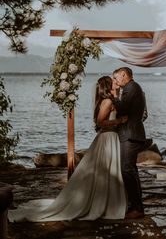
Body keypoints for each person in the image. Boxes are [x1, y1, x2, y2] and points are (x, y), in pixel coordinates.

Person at [8, 76, 127, 222]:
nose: (116, 82)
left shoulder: (112, 100)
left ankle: (108, 203)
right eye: (113, 81)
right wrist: (119, 120)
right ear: (108, 86)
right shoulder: (107, 102)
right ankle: (101, 204)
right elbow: (101, 122)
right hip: (107, 138)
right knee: (104, 171)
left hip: (111, 138)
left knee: (108, 172)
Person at [112, 67, 148, 219]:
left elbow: (122, 108)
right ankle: (135, 204)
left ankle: (137, 208)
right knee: (131, 169)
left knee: (126, 170)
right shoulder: (132, 88)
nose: (115, 81)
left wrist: (114, 96)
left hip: (130, 135)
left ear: (124, 75)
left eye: (116, 77)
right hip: (131, 134)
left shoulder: (131, 87)